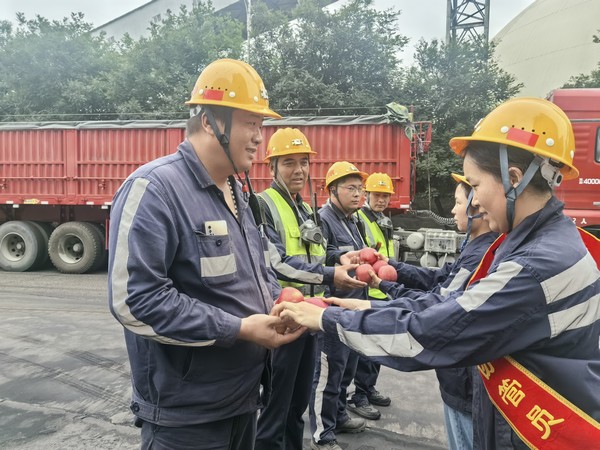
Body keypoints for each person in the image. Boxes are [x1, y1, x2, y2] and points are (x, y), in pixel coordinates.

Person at [275, 97, 600, 448]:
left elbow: (435, 332)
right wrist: (367, 307)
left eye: (474, 185)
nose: (473, 202)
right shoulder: (539, 243)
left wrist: (327, 320)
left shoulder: (534, 266)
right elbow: (450, 305)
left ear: (513, 179)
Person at [108, 58, 304, 450]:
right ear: (210, 121)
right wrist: (240, 329)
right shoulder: (155, 189)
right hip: (186, 418)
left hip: (242, 401)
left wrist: (277, 300)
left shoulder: (239, 195)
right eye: (250, 123)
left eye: (260, 126)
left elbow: (254, 272)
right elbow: (134, 301)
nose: (258, 138)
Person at [368, 172, 496, 450]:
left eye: (457, 202)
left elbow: (437, 303)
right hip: (460, 379)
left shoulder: (481, 255)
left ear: (477, 207)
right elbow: (438, 277)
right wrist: (392, 265)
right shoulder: (475, 247)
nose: (452, 209)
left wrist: (377, 299)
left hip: (463, 383)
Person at [255, 128, 363, 450]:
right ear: (271, 167)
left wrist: (339, 257)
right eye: (289, 162)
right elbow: (276, 262)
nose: (299, 170)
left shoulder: (304, 208)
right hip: (283, 318)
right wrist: (331, 274)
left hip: (309, 317)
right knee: (276, 408)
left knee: (298, 405)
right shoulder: (263, 204)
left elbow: (315, 250)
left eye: (303, 162)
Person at [309, 161, 370, 450]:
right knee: (329, 374)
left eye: (361, 189)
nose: (359, 194)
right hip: (333, 307)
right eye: (352, 188)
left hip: (354, 307)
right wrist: (344, 257)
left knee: (347, 369)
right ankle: (323, 435)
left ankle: (339, 414)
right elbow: (323, 256)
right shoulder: (324, 218)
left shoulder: (354, 219)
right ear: (333, 190)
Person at [347, 172, 397, 421]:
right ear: (368, 195)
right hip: (370, 292)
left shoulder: (381, 219)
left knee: (378, 347)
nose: (382, 200)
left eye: (386, 195)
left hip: (382, 290)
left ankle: (368, 387)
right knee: (366, 348)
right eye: (378, 195)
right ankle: (359, 396)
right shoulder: (361, 219)